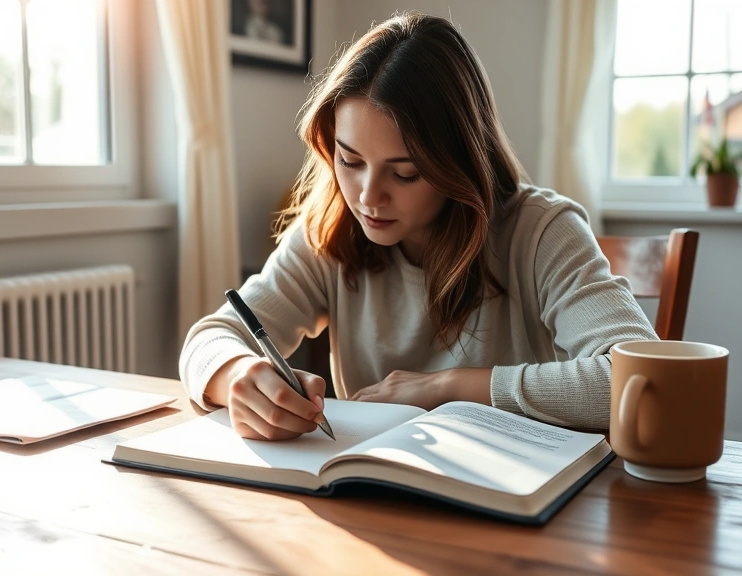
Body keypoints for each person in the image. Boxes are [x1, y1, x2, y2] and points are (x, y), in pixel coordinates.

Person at [180, 12, 658, 441]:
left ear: (459, 163)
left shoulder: (540, 231)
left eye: (405, 173)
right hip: (375, 501)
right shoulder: (331, 228)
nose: (368, 197)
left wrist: (447, 388)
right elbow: (209, 338)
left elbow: (644, 378)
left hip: (519, 507)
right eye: (350, 161)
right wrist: (238, 375)